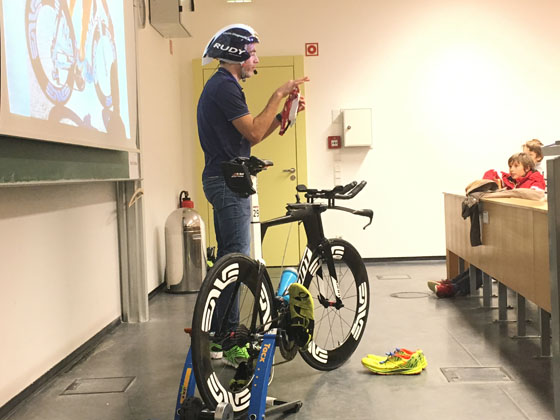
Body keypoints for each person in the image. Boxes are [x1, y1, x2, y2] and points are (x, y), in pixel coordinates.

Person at [197, 24, 310, 367]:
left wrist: (282, 116)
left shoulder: (224, 86)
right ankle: (228, 342)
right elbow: (254, 132)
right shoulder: (224, 87)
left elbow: (250, 135)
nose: (255, 60)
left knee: (231, 262)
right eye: (252, 53)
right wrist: (277, 96)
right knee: (236, 264)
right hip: (227, 181)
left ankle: (220, 335)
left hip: (228, 179)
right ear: (235, 54)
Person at [429, 152, 545, 298]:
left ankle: (454, 287)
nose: (512, 170)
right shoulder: (513, 181)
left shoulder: (535, 178)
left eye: (516, 166)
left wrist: (503, 194)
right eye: (510, 166)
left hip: (527, 240)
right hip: (515, 237)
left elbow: (535, 195)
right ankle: (453, 284)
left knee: (491, 263)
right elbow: (491, 175)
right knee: (485, 262)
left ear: (527, 168)